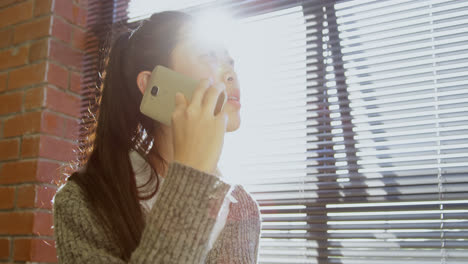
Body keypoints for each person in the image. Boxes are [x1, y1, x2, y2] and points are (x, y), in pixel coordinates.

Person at [52, 11, 262, 263]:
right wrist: (192, 178)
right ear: (152, 83)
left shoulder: (242, 208)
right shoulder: (84, 199)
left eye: (230, 62)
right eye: (208, 56)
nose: (230, 74)